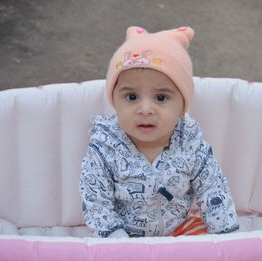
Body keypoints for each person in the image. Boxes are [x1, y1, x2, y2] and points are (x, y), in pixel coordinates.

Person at [79, 26, 239, 238]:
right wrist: (115, 238)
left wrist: (225, 235)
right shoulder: (104, 146)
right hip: (125, 235)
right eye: (131, 97)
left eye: (161, 98)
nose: (145, 110)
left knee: (205, 246)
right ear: (114, 100)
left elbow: (213, 187)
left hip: (180, 229)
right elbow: (96, 201)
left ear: (183, 106)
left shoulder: (190, 141)